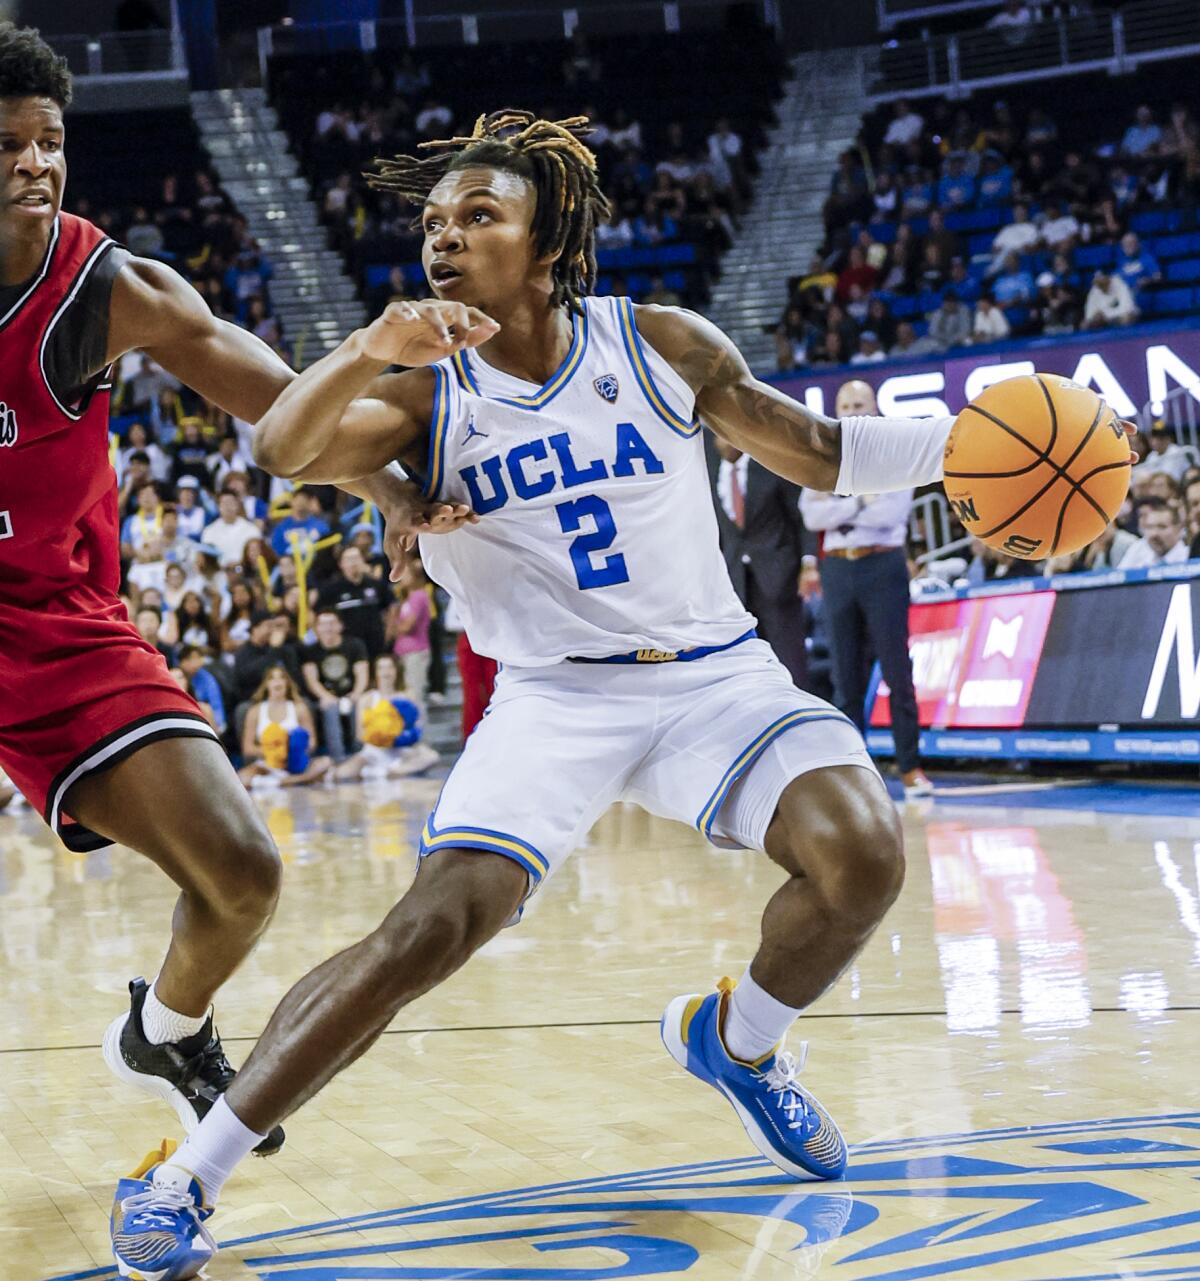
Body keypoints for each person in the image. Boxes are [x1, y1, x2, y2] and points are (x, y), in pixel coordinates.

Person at [111, 109, 1130, 1276]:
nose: (445, 239)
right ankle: (187, 1177)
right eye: (435, 223)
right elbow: (280, 452)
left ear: (546, 249)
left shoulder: (659, 343)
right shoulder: (424, 399)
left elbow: (818, 452)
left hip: (714, 678)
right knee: (427, 932)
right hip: (553, 701)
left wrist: (976, 443)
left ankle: (738, 1045)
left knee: (864, 852)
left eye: (479, 218)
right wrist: (369, 345)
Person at [0, 23, 460, 1171]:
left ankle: (164, 1030)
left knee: (243, 872)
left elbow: (269, 396)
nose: (36, 165)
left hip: (53, 626)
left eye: (50, 141)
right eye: (7, 144)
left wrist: (395, 495)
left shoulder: (104, 291)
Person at [800, 381, 932, 799]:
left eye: (860, 403)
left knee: (897, 669)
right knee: (844, 677)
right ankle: (855, 772)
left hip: (883, 564)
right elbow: (810, 514)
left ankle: (910, 767)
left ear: (873, 408)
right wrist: (859, 503)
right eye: (845, 404)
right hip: (838, 568)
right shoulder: (822, 454)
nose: (853, 410)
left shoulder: (893, 451)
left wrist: (837, 508)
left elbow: (891, 511)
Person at [711, 440, 811, 687]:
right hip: (734, 585)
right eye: (718, 436)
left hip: (779, 579)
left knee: (790, 661)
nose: (724, 441)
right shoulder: (708, 471)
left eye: (728, 435)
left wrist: (808, 563)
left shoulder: (770, 466)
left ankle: (799, 721)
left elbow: (799, 517)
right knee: (746, 667)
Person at [333, 652, 439, 781]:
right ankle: (387, 771)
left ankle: (392, 772)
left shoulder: (407, 695)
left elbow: (417, 726)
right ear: (376, 672)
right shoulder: (367, 698)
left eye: (390, 667)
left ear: (396, 671)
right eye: (381, 668)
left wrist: (399, 738)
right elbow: (360, 735)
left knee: (431, 757)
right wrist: (379, 736)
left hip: (401, 749)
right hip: (375, 750)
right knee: (343, 773)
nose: (386, 673)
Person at [237, 665, 331, 788]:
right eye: (272, 678)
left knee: (325, 762)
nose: (277, 681)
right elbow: (248, 748)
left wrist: (289, 752)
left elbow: (312, 742)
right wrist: (274, 752)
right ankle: (299, 781)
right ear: (266, 684)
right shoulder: (255, 711)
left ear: (287, 683)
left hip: (296, 763)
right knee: (241, 777)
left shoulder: (299, 708)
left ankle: (280, 781)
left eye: (281, 678)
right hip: (267, 764)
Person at [301, 608, 369, 762]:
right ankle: (338, 758)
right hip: (326, 696)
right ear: (317, 628)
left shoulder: (355, 645)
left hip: (351, 692)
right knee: (330, 707)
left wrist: (357, 693)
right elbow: (312, 680)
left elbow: (362, 673)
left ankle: (361, 754)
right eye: (323, 624)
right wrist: (326, 696)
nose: (328, 628)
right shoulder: (310, 651)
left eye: (332, 623)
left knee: (359, 703)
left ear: (340, 626)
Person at [316, 542, 388, 658]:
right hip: (345, 649)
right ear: (341, 564)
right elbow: (316, 613)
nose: (353, 563)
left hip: (376, 645)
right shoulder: (331, 589)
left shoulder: (376, 585)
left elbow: (391, 608)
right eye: (349, 559)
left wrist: (388, 634)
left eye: (356, 558)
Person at [387, 555, 433, 710]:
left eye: (405, 573)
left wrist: (393, 621)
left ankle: (420, 732)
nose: (401, 577)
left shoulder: (419, 596)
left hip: (416, 652)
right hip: (402, 652)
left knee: (415, 694)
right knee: (405, 694)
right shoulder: (405, 599)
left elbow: (407, 626)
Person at [1120, 497, 1189, 568]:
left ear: (1178, 529)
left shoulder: (1189, 556)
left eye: (1162, 527)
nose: (1154, 534)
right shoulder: (1138, 550)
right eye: (1150, 527)